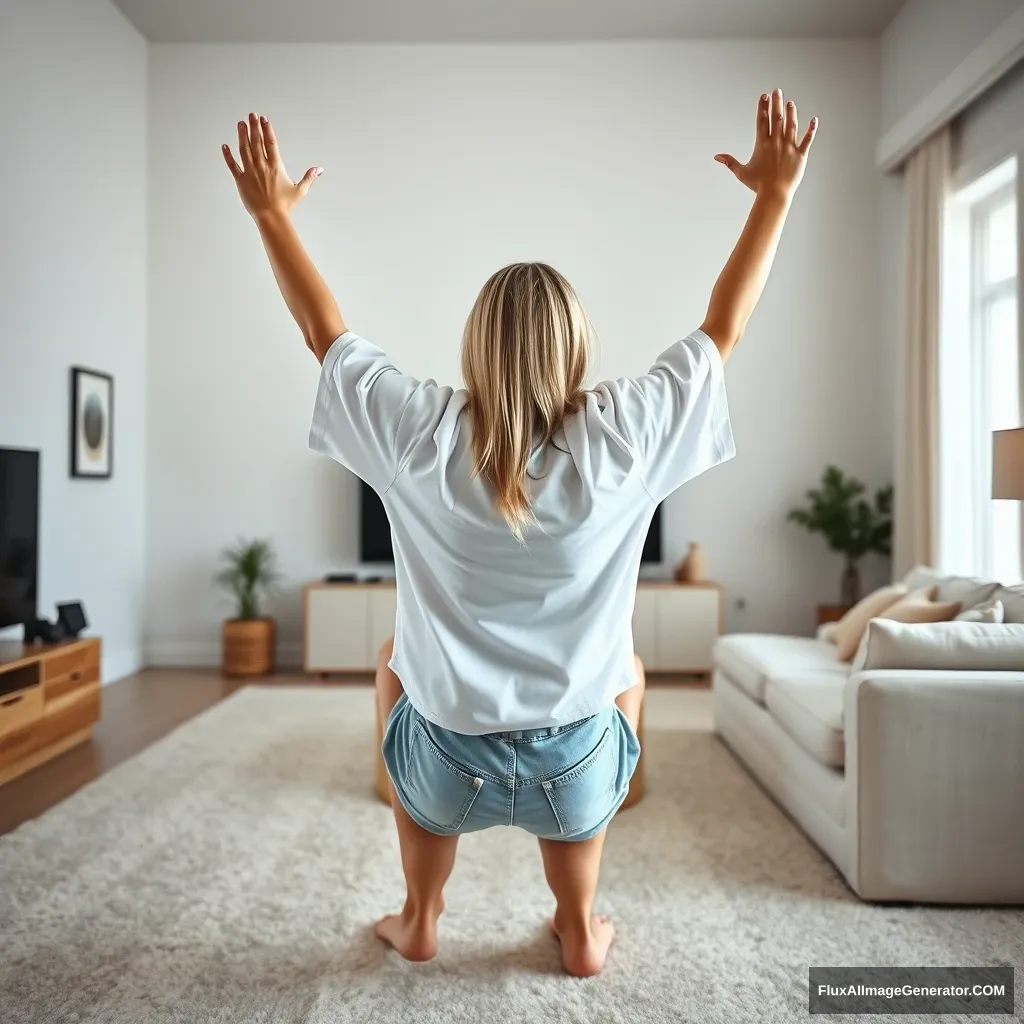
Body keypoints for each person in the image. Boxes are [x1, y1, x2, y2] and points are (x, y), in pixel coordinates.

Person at [222, 89, 816, 977]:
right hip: (573, 772)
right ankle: (578, 929)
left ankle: (420, 916)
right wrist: (773, 198)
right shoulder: (624, 432)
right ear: (576, 347)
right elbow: (722, 328)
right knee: (633, 671)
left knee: (392, 660)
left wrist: (270, 214)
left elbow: (323, 332)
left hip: (440, 769)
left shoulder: (417, 429)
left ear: (475, 346)